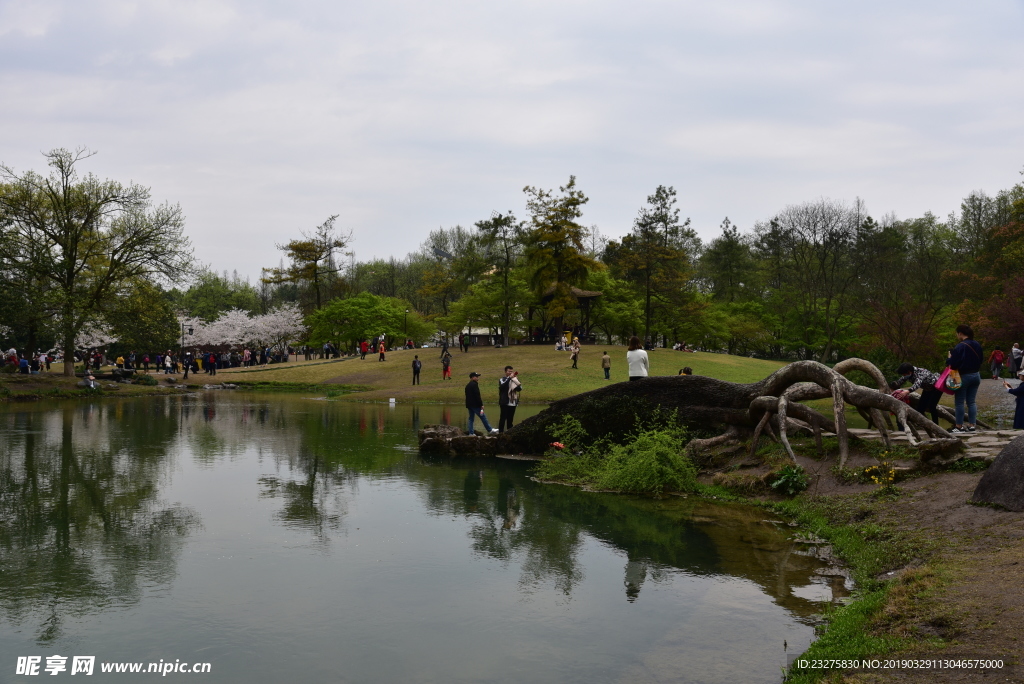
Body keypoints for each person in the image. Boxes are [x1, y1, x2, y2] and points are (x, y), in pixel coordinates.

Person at [947, 324, 983, 433]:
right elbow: (981, 359)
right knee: (971, 402)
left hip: (963, 376)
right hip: (976, 375)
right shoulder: (977, 344)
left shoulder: (960, 346)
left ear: (960, 333)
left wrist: (949, 358)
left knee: (959, 402)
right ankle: (972, 425)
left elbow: (953, 364)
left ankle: (959, 426)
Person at [498, 366, 521, 432]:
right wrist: (509, 379)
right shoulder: (502, 379)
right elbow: (502, 387)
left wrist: (515, 381)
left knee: (510, 419)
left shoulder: (515, 379)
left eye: (511, 371)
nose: (510, 372)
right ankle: (500, 432)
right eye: (509, 371)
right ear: (505, 372)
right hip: (505, 402)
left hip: (513, 402)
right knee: (503, 418)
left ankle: (509, 432)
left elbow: (519, 389)